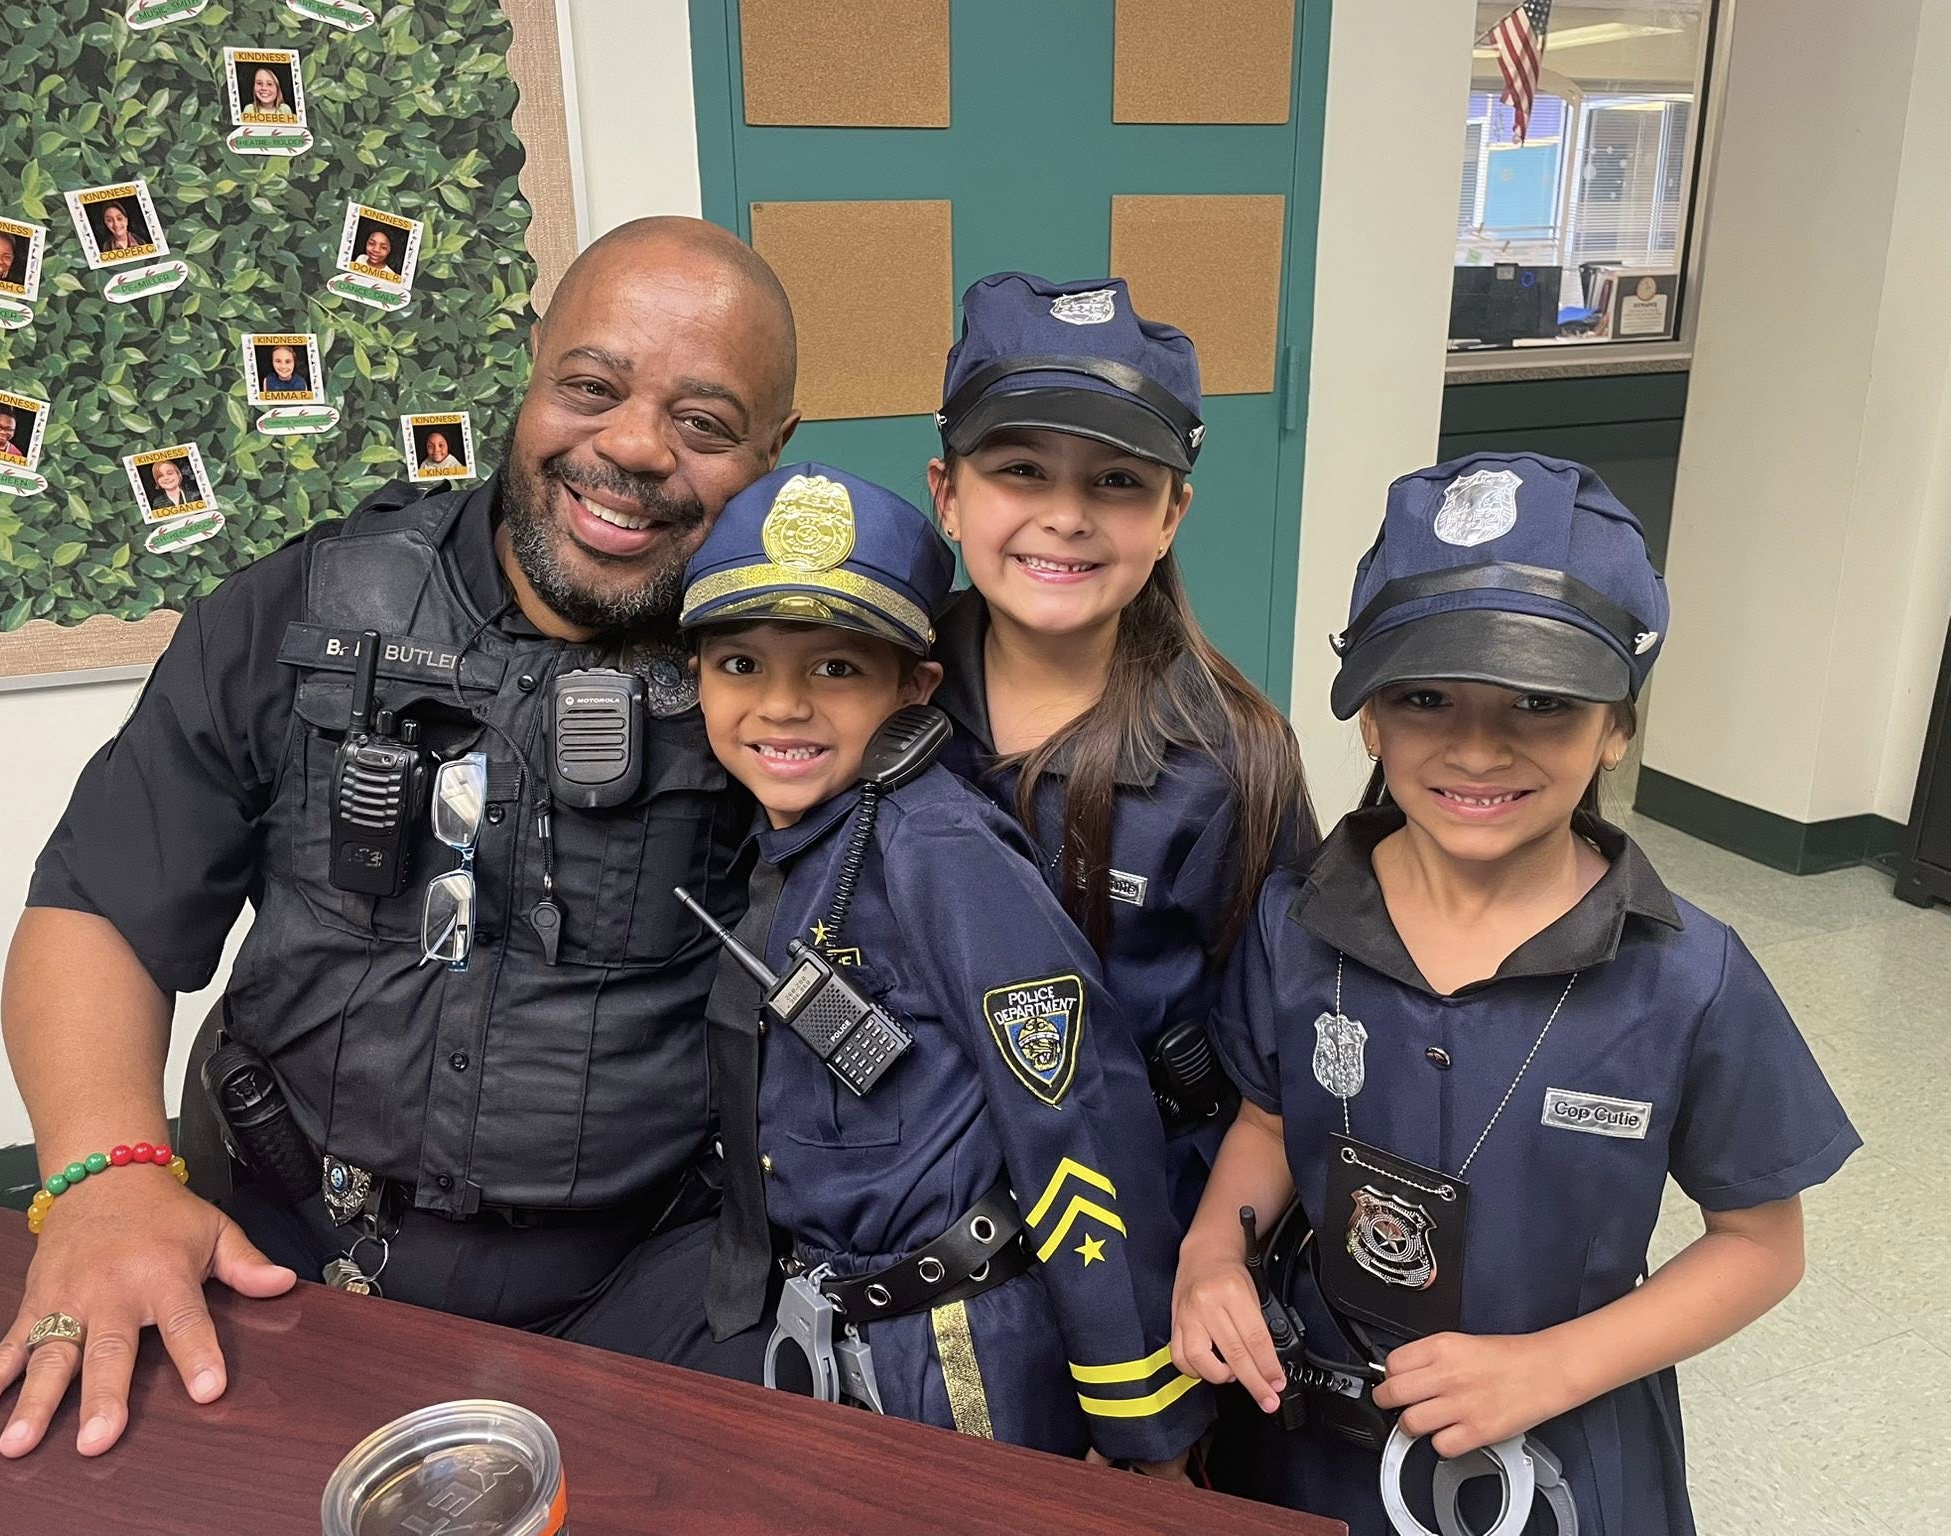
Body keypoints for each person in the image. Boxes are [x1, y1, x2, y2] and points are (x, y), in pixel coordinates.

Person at [0, 216, 801, 1460]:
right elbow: (102, 905)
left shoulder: (799, 679)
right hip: (271, 1245)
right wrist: (108, 1175)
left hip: (650, 1286)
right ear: (530, 370)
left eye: (705, 424)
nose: (631, 448)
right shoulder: (293, 611)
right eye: (592, 387)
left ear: (776, 455)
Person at [1170, 453, 1861, 1534]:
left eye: (1540, 702)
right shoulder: (1292, 923)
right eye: (1425, 696)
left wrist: (1551, 1367)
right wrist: (1213, 1251)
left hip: (1558, 1458)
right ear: (1367, 716)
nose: (1476, 745)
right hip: (1307, 1447)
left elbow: (1760, 1246)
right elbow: (1265, 1119)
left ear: (1618, 723)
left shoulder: (1687, 978)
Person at [684, 462, 1211, 1472]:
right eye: (739, 664)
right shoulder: (792, 838)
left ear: (913, 686)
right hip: (839, 1324)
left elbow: (1076, 1116)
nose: (781, 706)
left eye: (834, 668)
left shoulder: (938, 848)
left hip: (959, 1357)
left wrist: (1139, 1417)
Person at [927, 273, 1317, 1229]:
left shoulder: (1232, 764)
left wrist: (1221, 1258)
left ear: (1172, 514)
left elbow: (1284, 1067)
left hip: (1142, 1211)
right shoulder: (881, 699)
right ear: (947, 495)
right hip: (916, 1200)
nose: (1066, 515)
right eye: (1020, 470)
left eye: (1117, 481)